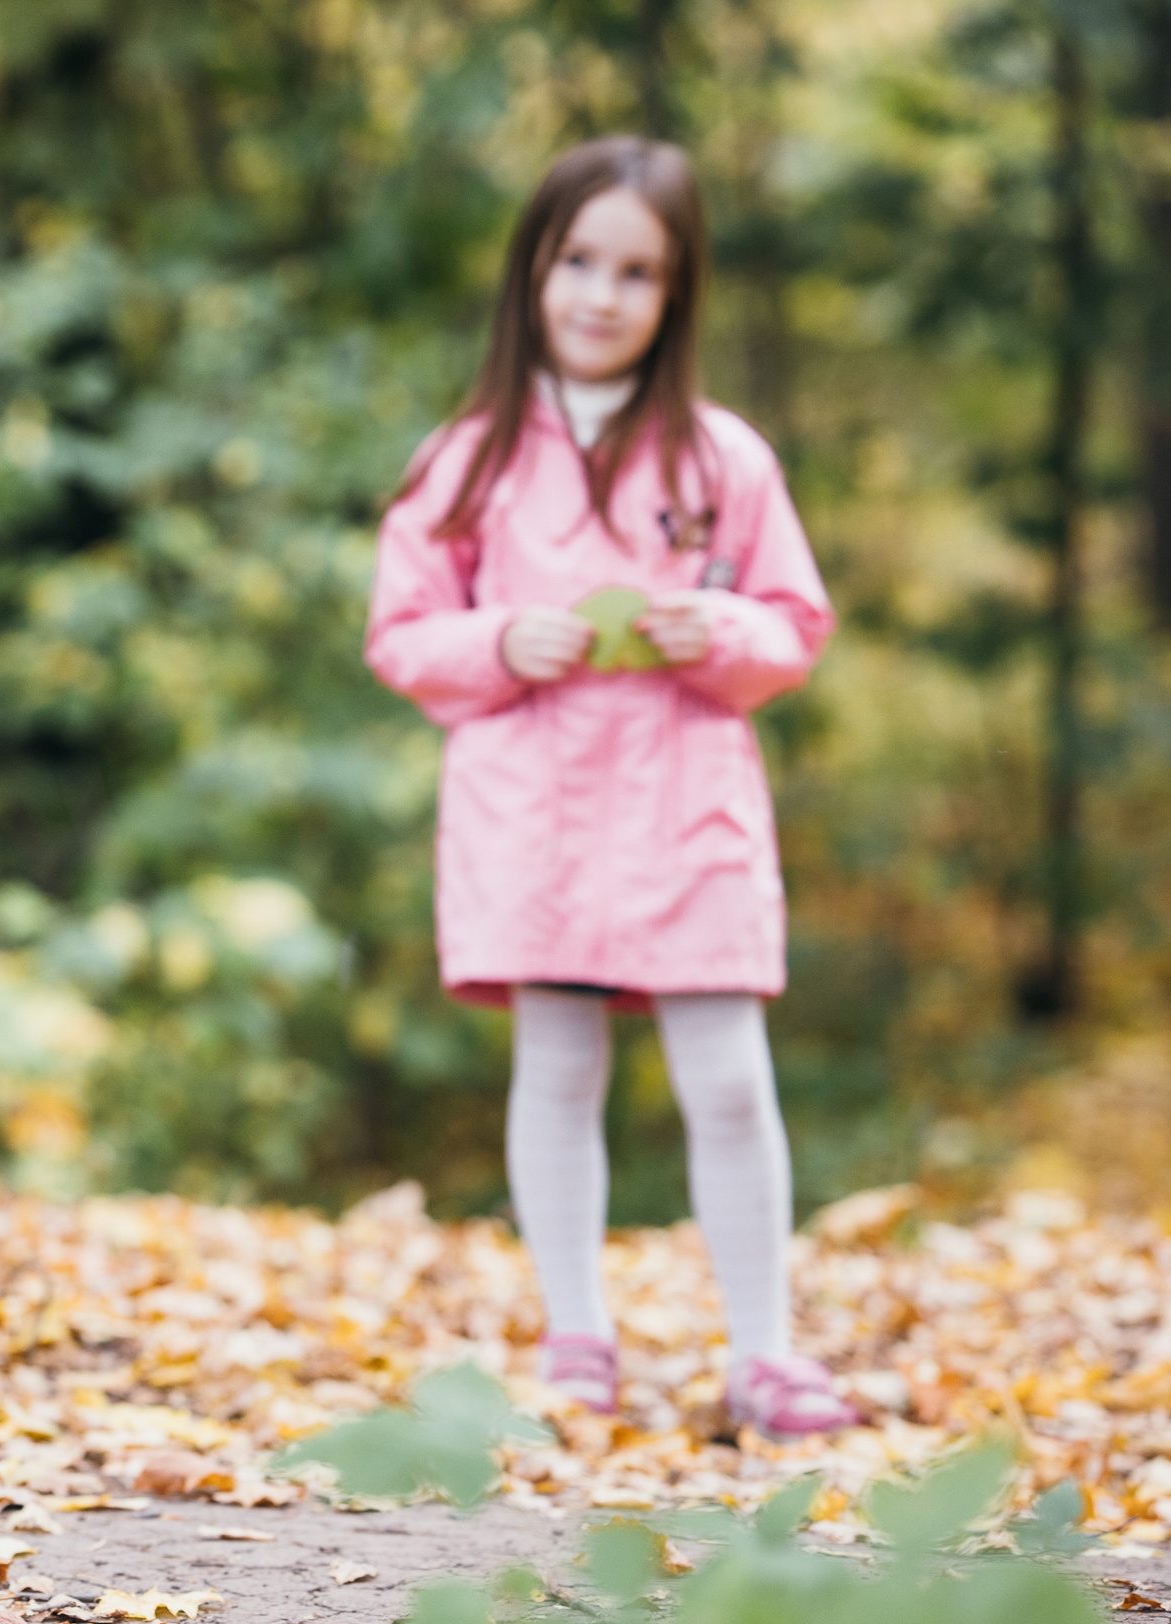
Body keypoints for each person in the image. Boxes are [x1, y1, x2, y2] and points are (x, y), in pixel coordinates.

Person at [364, 136, 855, 1438]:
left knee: (730, 1079)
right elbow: (402, 634)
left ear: (677, 292)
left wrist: (724, 634)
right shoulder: (465, 460)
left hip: (685, 807)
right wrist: (497, 644)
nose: (600, 294)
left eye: (637, 271)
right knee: (560, 1066)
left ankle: (764, 1352)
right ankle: (576, 1333)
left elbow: (795, 622)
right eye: (577, 260)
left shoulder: (723, 459)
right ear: (533, 269)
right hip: (535, 816)